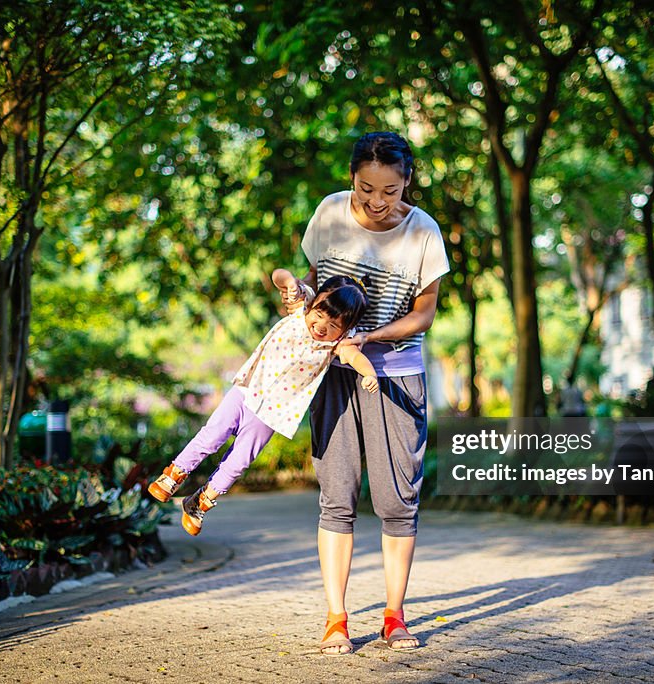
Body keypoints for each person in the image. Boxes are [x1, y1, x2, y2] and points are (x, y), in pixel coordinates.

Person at [287, 132, 449, 655]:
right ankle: (336, 618)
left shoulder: (424, 231)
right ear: (351, 179)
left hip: (397, 376)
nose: (378, 202)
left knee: (397, 501)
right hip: (333, 373)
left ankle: (393, 615)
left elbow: (424, 311)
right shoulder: (330, 213)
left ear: (407, 181)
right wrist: (298, 294)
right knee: (336, 498)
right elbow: (313, 286)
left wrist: (372, 336)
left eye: (391, 190)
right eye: (366, 189)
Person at [146, 270, 379, 536]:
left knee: (238, 462)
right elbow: (279, 276)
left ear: (345, 330)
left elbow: (354, 356)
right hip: (247, 391)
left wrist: (368, 373)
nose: (322, 326)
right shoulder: (301, 306)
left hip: (273, 415)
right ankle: (173, 475)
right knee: (212, 436)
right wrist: (290, 282)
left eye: (334, 325)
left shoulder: (336, 344)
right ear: (314, 304)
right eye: (320, 315)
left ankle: (200, 502)